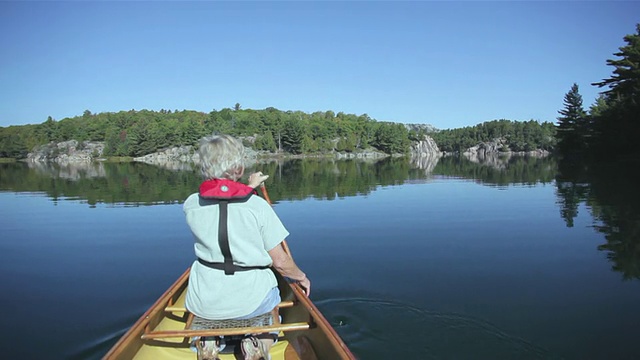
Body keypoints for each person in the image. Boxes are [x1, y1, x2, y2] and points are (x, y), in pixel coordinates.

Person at [183, 134, 310, 360]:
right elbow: (280, 262)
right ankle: (257, 343)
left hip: (205, 300)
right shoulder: (258, 207)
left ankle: (208, 341)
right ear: (239, 168)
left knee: (208, 312)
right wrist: (300, 277)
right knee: (270, 321)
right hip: (252, 300)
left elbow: (223, 204)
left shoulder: (192, 204)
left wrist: (249, 187)